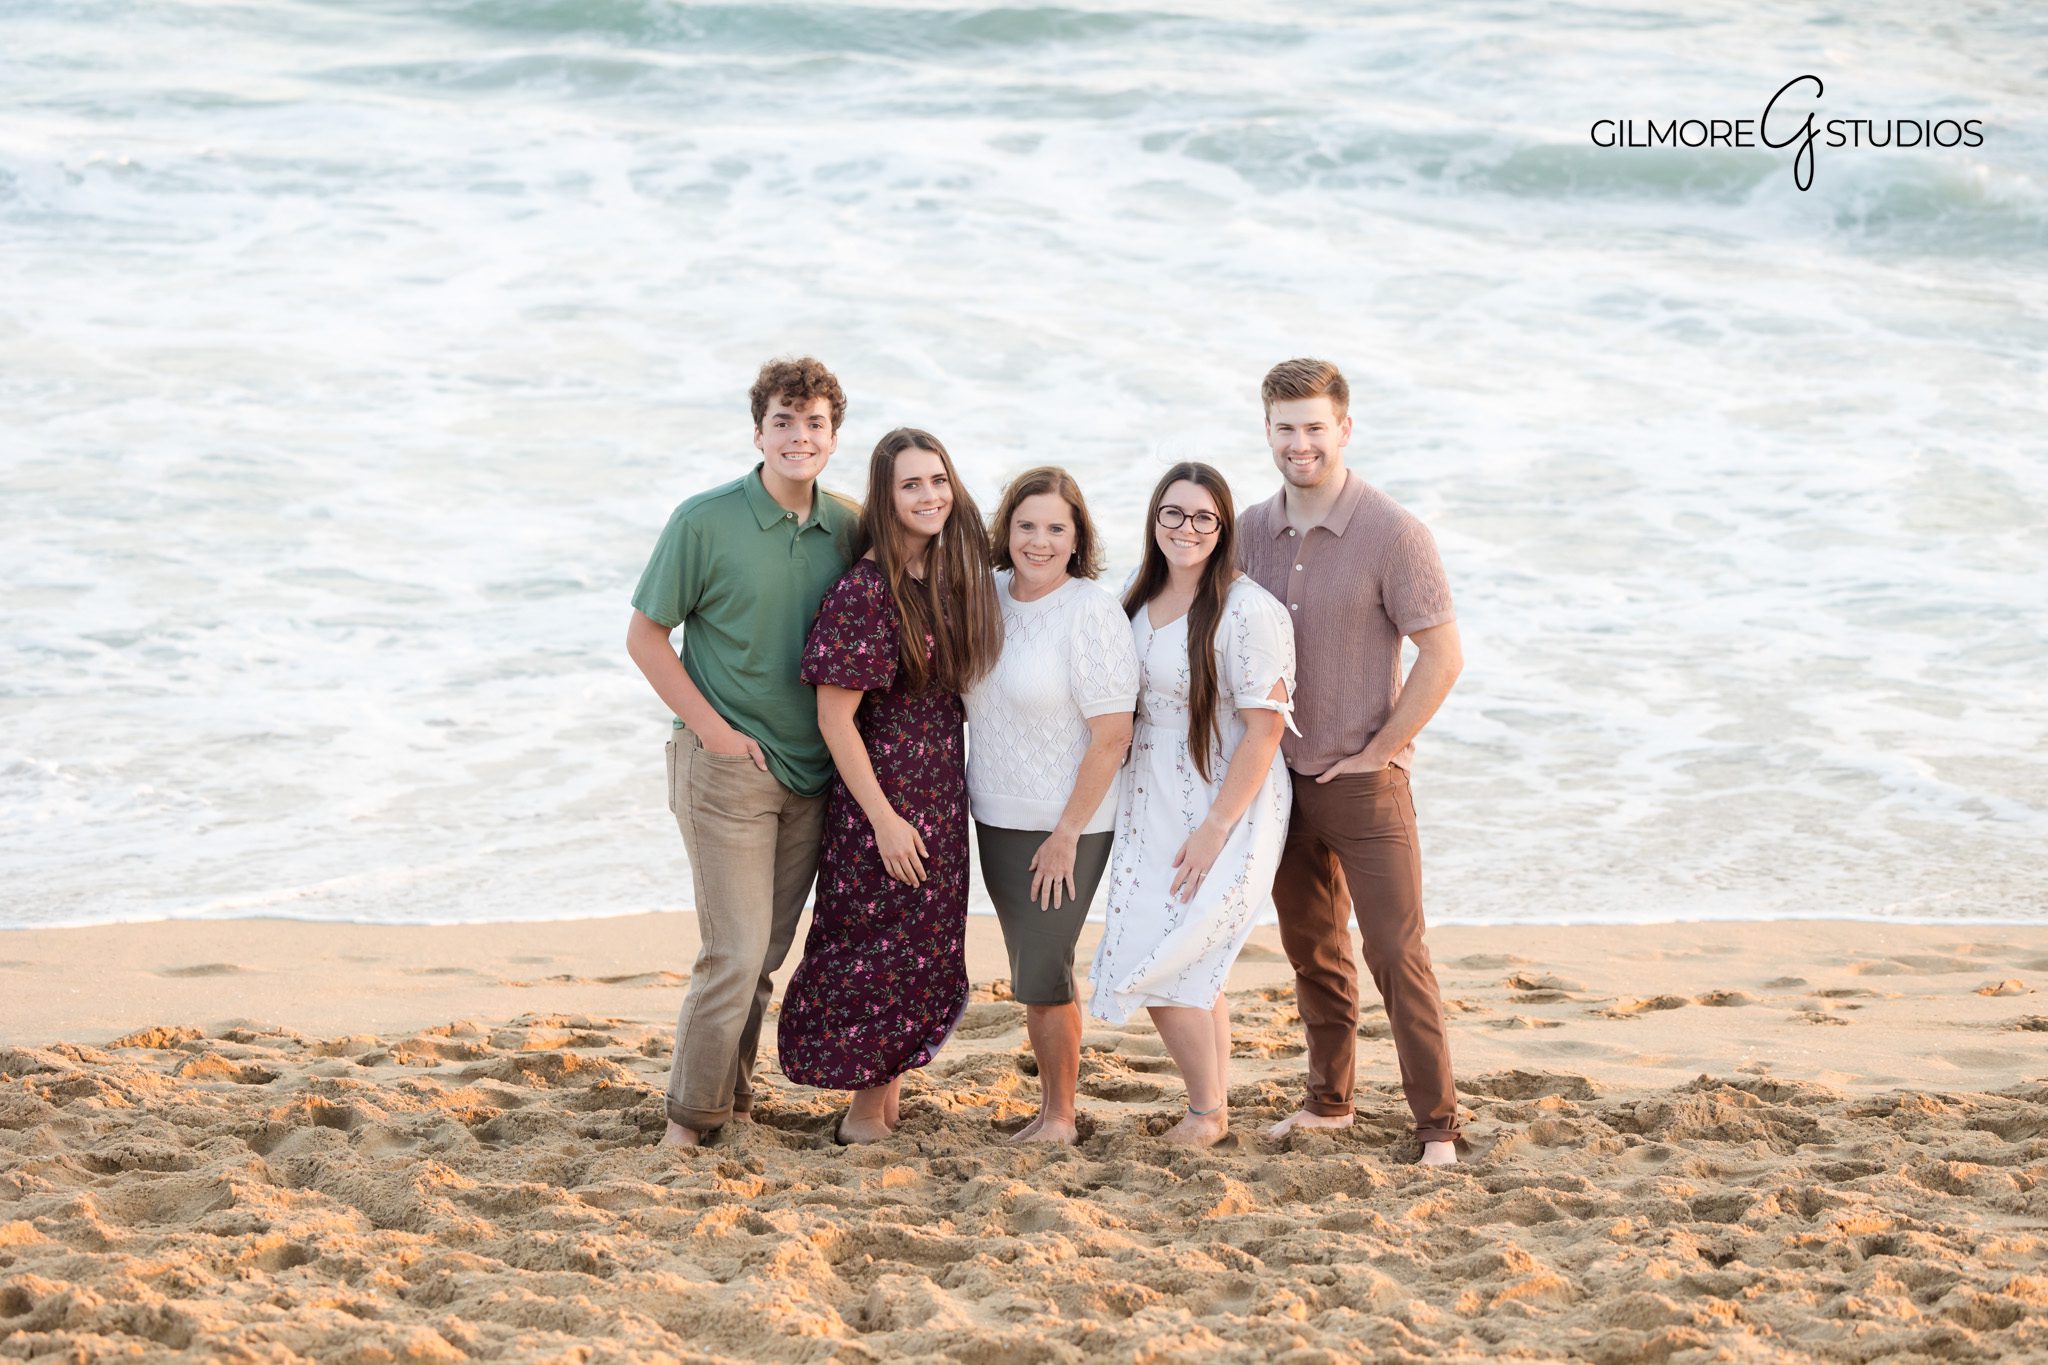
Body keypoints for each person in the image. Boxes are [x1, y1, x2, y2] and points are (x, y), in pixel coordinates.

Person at [625, 357, 858, 1149]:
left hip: (812, 773)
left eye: (815, 423)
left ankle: (735, 1101)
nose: (800, 437)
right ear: (757, 431)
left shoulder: (851, 527)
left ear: (834, 435)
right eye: (784, 422)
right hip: (723, 768)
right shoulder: (704, 520)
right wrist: (717, 734)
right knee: (730, 952)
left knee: (761, 955)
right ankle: (687, 1125)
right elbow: (645, 637)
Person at [1238, 357, 1465, 1166]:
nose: (1299, 443)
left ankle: (1437, 1124)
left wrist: (1378, 752)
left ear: (1344, 428)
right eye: (1284, 428)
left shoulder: (1395, 533)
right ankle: (1329, 1101)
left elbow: (1442, 656)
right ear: (1266, 431)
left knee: (1397, 953)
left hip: (1367, 786)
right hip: (1278, 787)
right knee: (1314, 953)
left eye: (1314, 427)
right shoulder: (1246, 531)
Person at [778, 428, 1004, 1143]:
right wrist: (882, 819)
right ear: (885, 497)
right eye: (911, 484)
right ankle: (863, 1117)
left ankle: (888, 1101)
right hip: (884, 807)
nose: (930, 494)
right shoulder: (866, 590)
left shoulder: (937, 578)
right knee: (877, 954)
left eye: (938, 479)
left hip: (938, 800)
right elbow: (835, 719)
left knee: (919, 955)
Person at [1088, 461, 1295, 1148]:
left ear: (1223, 526)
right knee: (1187, 956)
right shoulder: (1137, 594)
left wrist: (1215, 829)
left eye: (1204, 516)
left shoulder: (1247, 609)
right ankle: (1212, 1107)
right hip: (1150, 798)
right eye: (1173, 513)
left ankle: (1206, 1112)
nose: (1187, 527)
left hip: (1221, 800)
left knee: (1165, 952)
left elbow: (1265, 730)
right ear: (1154, 520)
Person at [963, 467, 1138, 1145]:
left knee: (1043, 966)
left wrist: (1066, 832)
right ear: (1006, 530)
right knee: (1030, 967)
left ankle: (1061, 1116)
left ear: (1077, 536)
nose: (1039, 541)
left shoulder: (1091, 610)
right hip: (994, 815)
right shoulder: (985, 593)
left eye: (1055, 528)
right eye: (1026, 525)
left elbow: (1113, 733)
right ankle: (1048, 1108)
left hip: (1066, 824)